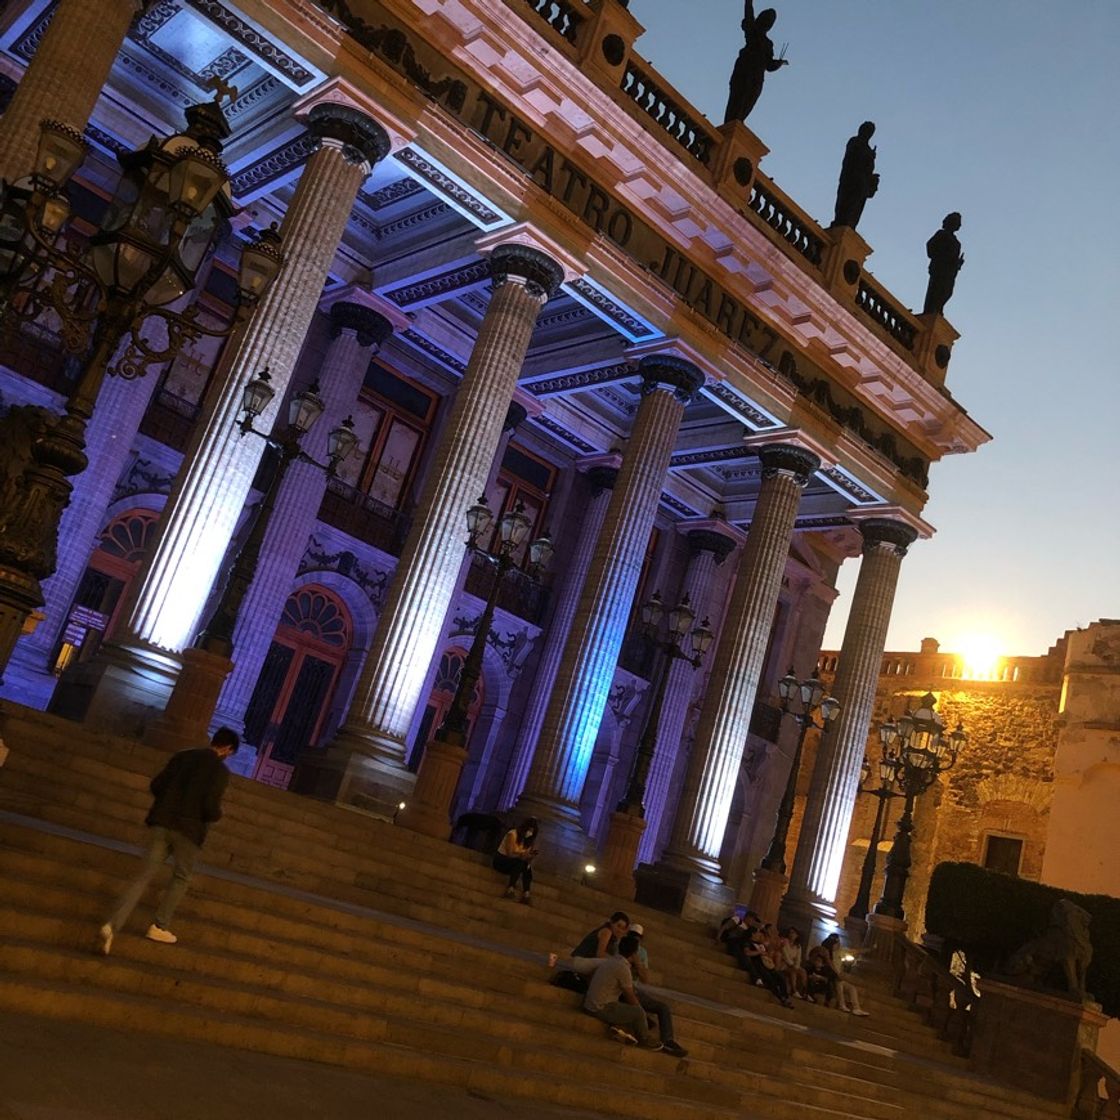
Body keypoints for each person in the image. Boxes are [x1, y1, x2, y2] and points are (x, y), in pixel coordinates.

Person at [97, 728, 240, 955]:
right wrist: (217, 814)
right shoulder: (219, 771)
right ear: (227, 749)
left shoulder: (182, 756)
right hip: (189, 831)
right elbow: (210, 807)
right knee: (181, 876)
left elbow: (157, 785)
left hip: (162, 821)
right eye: (229, 753)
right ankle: (159, 925)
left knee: (144, 875)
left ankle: (112, 924)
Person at [583, 932, 662, 1050]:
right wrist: (642, 1014)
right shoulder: (622, 967)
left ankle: (621, 1031)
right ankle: (645, 1040)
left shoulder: (611, 961)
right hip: (599, 1007)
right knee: (638, 1013)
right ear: (634, 954)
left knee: (626, 1008)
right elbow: (630, 996)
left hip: (590, 1003)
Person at [627, 924, 688, 1058]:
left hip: (633, 987)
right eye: (632, 936)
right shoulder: (620, 946)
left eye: (637, 937)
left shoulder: (641, 953)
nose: (635, 939)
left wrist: (637, 963)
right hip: (625, 988)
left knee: (662, 1008)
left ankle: (668, 1040)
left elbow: (645, 979)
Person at [723, 0, 789, 124]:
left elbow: (769, 65)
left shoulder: (769, 44)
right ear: (761, 18)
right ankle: (729, 124)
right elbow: (748, 13)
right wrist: (749, 2)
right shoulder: (753, 30)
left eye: (771, 20)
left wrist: (780, 63)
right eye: (767, 18)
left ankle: (737, 123)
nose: (769, 22)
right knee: (737, 98)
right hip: (744, 69)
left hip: (757, 76)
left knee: (749, 100)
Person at [548, 911, 630, 992]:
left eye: (622, 928)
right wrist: (617, 961)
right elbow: (600, 954)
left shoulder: (614, 940)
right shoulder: (607, 931)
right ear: (612, 922)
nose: (619, 930)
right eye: (618, 926)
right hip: (580, 961)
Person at [832, 121, 879, 230]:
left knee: (856, 207)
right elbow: (852, 160)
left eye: (870, 131)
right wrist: (868, 156)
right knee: (845, 203)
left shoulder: (868, 149)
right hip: (851, 180)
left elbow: (868, 169)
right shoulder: (855, 141)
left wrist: (872, 175)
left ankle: (849, 223)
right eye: (866, 129)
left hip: (861, 184)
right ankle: (841, 221)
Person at [922, 212, 965, 316]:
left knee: (947, 291)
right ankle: (931, 311)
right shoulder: (941, 234)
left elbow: (954, 259)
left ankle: (938, 309)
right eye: (956, 222)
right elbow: (930, 247)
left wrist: (958, 263)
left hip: (950, 272)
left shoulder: (957, 243)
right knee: (935, 291)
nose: (958, 225)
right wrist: (942, 256)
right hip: (940, 269)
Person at [818, 933, 870, 1016]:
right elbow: (829, 964)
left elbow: (855, 951)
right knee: (839, 984)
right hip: (829, 975)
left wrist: (869, 949)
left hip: (837, 976)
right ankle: (841, 1004)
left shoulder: (840, 951)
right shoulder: (826, 952)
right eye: (837, 942)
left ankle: (856, 1008)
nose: (839, 944)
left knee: (851, 988)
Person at [492, 816, 539, 903]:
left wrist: (529, 857)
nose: (530, 833)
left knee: (526, 867)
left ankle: (526, 893)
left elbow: (524, 858)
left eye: (532, 832)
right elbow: (509, 853)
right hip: (502, 860)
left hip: (516, 864)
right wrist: (521, 855)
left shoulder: (528, 841)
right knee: (520, 862)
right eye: (529, 830)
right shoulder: (512, 834)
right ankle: (511, 888)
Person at [780, 926, 809, 1000]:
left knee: (803, 971)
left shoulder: (798, 946)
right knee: (793, 971)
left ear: (797, 935)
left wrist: (796, 966)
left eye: (793, 933)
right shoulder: (784, 942)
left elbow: (798, 959)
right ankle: (794, 990)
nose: (791, 935)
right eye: (790, 933)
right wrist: (792, 965)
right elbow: (785, 955)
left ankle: (804, 991)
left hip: (793, 964)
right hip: (784, 963)